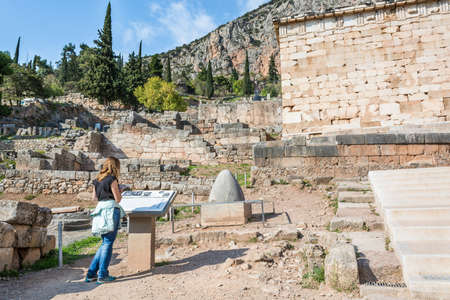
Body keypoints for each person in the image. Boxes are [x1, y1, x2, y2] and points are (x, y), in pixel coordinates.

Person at [85, 157, 126, 284]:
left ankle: (91, 274)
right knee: (108, 243)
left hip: (100, 210)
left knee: (104, 243)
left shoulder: (97, 180)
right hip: (110, 210)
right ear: (115, 166)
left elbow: (94, 197)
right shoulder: (112, 179)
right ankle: (102, 275)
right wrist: (121, 190)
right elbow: (118, 199)